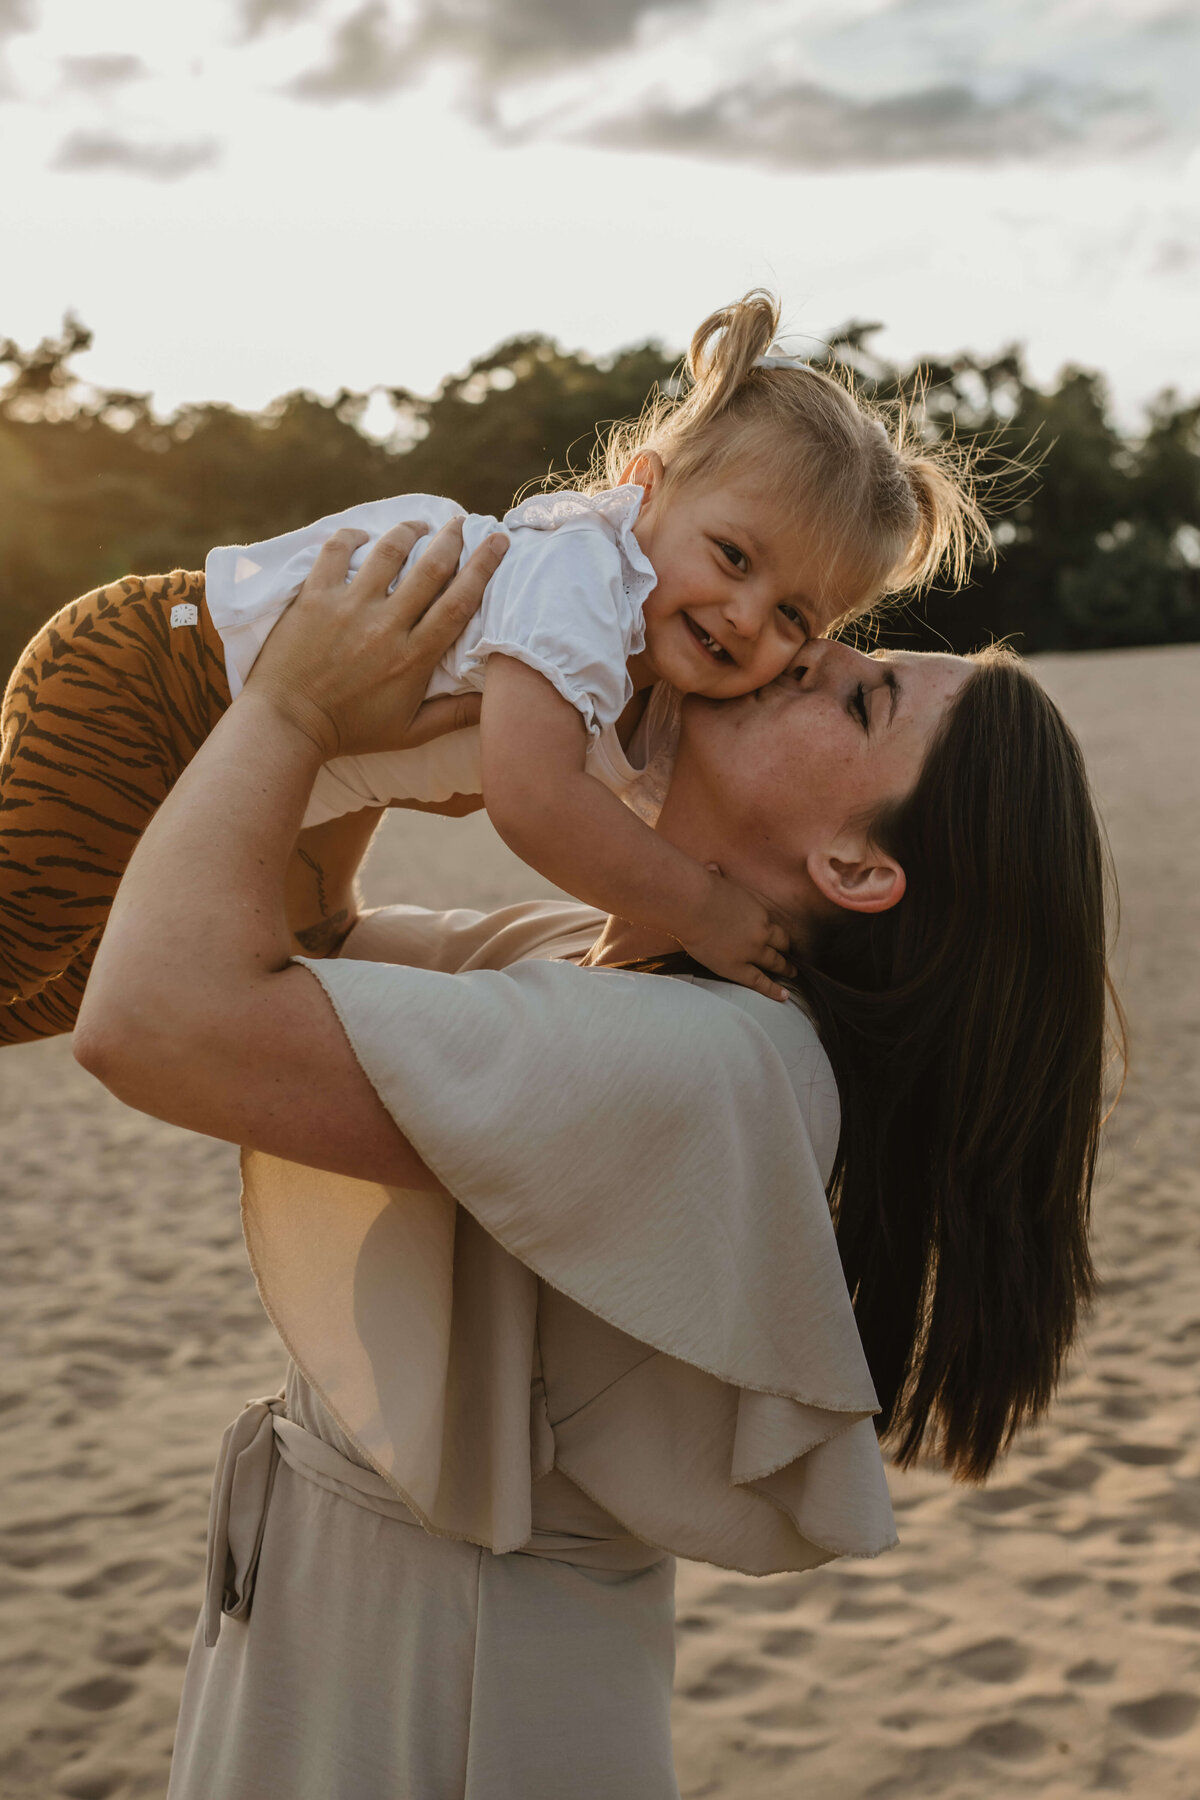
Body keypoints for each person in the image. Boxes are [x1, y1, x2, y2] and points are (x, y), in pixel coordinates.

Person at [74, 517, 1115, 1799]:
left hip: (451, 1677)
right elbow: (311, 943)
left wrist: (289, 708)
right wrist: (396, 739)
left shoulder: (709, 1061)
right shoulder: (613, 955)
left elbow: (158, 1023)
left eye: (860, 696)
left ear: (855, 865)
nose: (807, 651)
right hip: (363, 1617)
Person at [0, 293, 988, 1041]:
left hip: (247, 758)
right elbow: (530, 797)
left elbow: (394, 765)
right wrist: (702, 906)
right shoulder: (582, 581)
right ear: (641, 490)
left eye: (792, 614)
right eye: (732, 556)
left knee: (74, 986)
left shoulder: (649, 670)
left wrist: (327, 909)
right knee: (18, 940)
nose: (744, 615)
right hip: (153, 679)